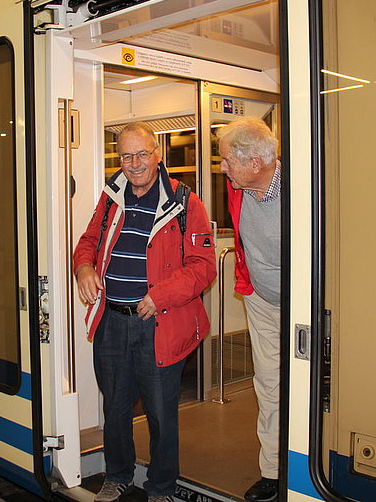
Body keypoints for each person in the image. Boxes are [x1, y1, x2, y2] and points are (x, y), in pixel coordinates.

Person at [73, 122, 216, 502]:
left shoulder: (185, 203)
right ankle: (117, 475)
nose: (134, 163)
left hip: (159, 324)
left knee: (161, 414)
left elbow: (203, 267)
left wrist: (161, 296)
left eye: (142, 154)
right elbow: (88, 241)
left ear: (157, 155)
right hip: (112, 323)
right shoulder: (111, 197)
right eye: (126, 156)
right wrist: (83, 267)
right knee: (115, 409)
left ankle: (161, 487)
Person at [216, 116, 281, 502]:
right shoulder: (238, 186)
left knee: (313, 385)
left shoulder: (304, 189)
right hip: (260, 298)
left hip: (305, 307)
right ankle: (273, 471)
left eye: (227, 160)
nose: (222, 168)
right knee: (269, 384)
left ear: (255, 163)